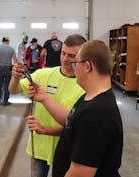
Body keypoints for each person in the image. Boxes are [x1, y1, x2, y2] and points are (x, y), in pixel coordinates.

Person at [27, 40, 123, 177]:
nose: (73, 67)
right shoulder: (90, 98)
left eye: (75, 63)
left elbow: (80, 174)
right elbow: (71, 120)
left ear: (88, 66)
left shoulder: (96, 114)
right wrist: (44, 98)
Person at [9, 34, 86, 177]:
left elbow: (76, 127)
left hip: (66, 150)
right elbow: (13, 90)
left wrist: (44, 129)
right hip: (39, 148)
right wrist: (15, 78)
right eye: (63, 53)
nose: (65, 59)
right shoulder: (43, 75)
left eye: (71, 55)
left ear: (82, 57)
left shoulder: (85, 86)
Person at [0, 36, 17, 106]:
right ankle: (5, 101)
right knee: (7, 85)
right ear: (8, 41)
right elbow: (15, 61)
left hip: (0, 69)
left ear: (2, 41)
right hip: (8, 69)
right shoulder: (11, 49)